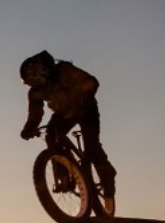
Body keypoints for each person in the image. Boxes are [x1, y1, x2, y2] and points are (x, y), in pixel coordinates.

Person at [19, 50, 116, 196]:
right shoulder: (34, 92)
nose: (33, 83)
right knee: (51, 134)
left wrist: (86, 93)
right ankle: (64, 176)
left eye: (34, 77)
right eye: (30, 81)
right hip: (64, 113)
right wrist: (30, 127)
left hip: (85, 108)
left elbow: (91, 81)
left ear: (43, 70)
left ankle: (107, 176)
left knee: (92, 146)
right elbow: (35, 112)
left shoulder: (63, 71)